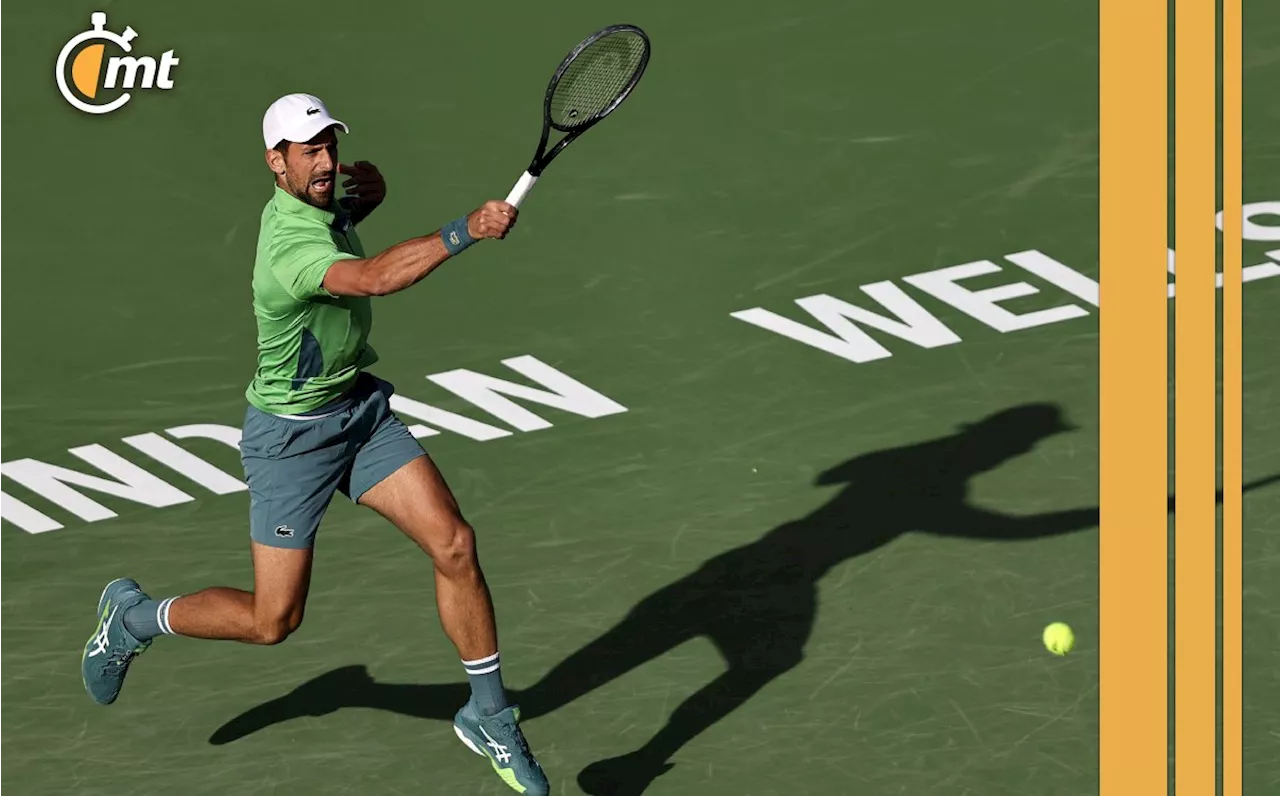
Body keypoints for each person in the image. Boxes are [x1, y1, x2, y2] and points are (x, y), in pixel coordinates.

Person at [80, 92, 549, 796]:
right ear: (276, 163)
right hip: (290, 441)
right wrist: (464, 231)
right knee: (274, 622)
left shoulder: (323, 205)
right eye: (310, 152)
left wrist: (363, 201)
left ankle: (488, 715)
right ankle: (134, 618)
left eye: (330, 145)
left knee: (454, 543)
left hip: (356, 411)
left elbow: (348, 218)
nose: (327, 161)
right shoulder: (291, 245)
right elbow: (372, 279)